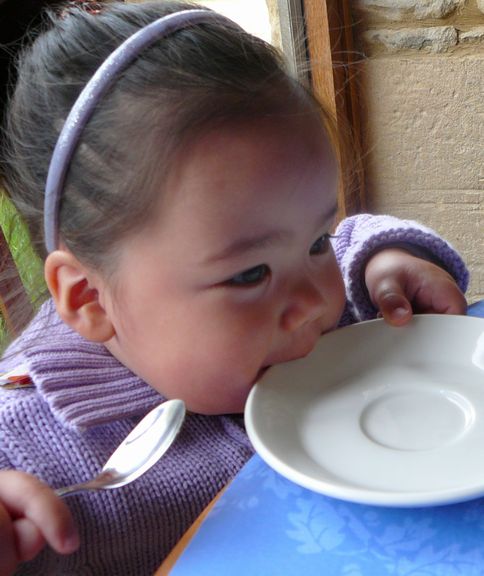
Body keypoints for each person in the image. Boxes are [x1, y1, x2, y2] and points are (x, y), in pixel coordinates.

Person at [0, 1, 468, 574]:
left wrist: (388, 258)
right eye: (250, 275)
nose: (316, 303)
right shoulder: (25, 453)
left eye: (314, 242)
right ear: (90, 299)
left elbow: (355, 237)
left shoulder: (295, 315)